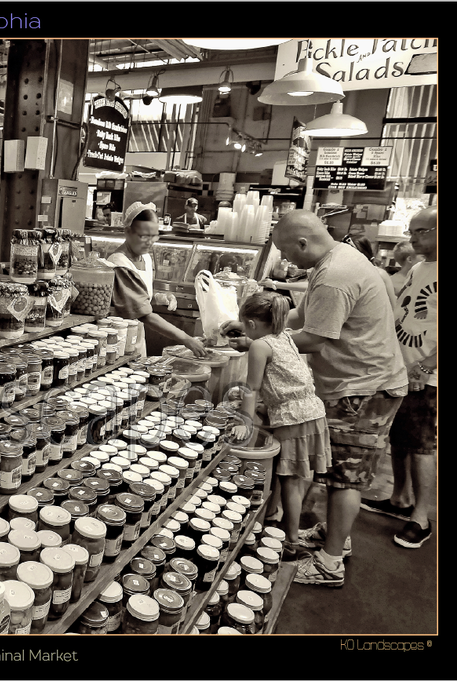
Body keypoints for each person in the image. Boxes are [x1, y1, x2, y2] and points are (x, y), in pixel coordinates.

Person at [226, 209, 407, 587]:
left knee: (345, 478)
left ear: (303, 243)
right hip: (355, 383)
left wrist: (260, 343)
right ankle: (334, 535)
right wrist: (256, 328)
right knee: (339, 471)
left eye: (285, 251)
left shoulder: (335, 276)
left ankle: (330, 562)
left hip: (363, 389)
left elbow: (315, 339)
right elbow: (299, 317)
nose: (285, 259)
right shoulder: (334, 261)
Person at [230, 292, 331, 558]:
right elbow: (283, 378)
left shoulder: (259, 345)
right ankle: (276, 518)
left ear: (251, 324)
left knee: (291, 481)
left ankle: (291, 541)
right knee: (297, 476)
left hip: (293, 417)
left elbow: (252, 388)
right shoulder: (284, 335)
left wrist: (245, 422)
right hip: (313, 411)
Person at [360, 207, 437, 549]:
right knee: (401, 439)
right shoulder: (419, 268)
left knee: (421, 445)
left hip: (426, 375)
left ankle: (421, 518)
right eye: (412, 230)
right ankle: (400, 498)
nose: (413, 238)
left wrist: (427, 366)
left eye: (421, 231)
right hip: (402, 368)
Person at [107, 202, 207, 358]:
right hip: (118, 340)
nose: (149, 242)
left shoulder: (146, 258)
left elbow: (143, 297)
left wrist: (160, 297)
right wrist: (186, 339)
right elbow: (144, 314)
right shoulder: (120, 264)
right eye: (143, 235)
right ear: (128, 232)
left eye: (153, 235)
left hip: (137, 337)